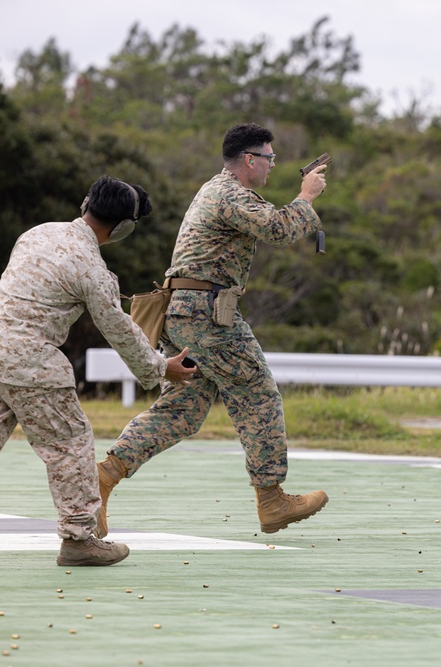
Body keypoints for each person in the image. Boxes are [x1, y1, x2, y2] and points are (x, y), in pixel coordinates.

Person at [0, 176, 197, 566]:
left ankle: (80, 536)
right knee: (70, 443)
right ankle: (78, 538)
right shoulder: (92, 269)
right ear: (123, 228)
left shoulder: (35, 233)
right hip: (30, 364)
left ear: (85, 203)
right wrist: (161, 367)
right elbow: (120, 329)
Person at [96, 123, 329, 539]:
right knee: (256, 393)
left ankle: (103, 477)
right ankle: (271, 499)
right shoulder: (230, 194)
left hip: (188, 311)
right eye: (269, 158)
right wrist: (306, 197)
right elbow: (278, 229)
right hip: (205, 313)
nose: (273, 165)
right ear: (249, 160)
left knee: (181, 412)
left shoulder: (220, 191)